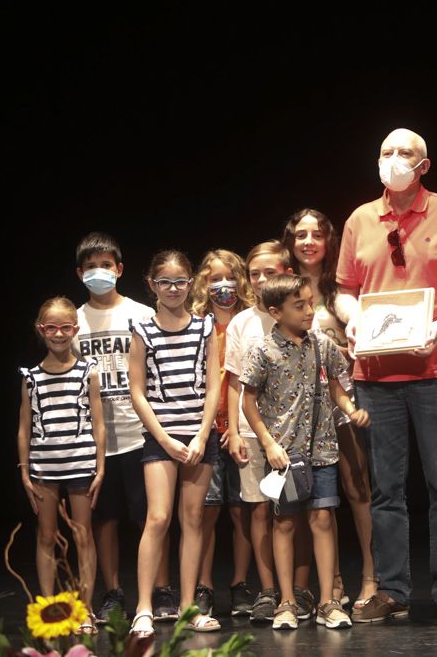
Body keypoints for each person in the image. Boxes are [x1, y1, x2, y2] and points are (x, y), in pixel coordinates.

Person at [337, 128, 437, 624]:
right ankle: (393, 589)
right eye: (386, 152)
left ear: (424, 165)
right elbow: (344, 290)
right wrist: (352, 317)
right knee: (386, 488)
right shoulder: (361, 218)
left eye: (405, 153)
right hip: (376, 374)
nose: (394, 160)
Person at [241, 274, 370, 630]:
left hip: (323, 449)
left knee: (324, 519)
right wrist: (268, 443)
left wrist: (349, 408)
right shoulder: (262, 350)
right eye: (299, 306)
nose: (309, 311)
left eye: (310, 303)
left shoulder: (323, 345)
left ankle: (329, 599)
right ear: (275, 311)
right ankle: (286, 601)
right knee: (284, 523)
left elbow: (335, 388)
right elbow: (248, 402)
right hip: (284, 455)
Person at [73, 232, 177, 624]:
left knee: (152, 515)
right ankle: (113, 591)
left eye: (106, 265)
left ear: (119, 269)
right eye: (90, 266)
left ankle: (161, 589)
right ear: (79, 273)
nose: (98, 272)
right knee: (105, 519)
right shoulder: (75, 321)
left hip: (140, 434)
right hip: (96, 441)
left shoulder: (140, 313)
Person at [282, 209, 377, 608]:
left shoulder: (342, 289)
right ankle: (331, 582)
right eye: (300, 234)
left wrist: (337, 353)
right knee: (317, 500)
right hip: (296, 410)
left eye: (316, 234)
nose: (308, 242)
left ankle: (371, 578)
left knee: (357, 488)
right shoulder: (281, 289)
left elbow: (361, 345)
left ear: (328, 242)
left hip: (341, 401)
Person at [127, 250, 222, 637]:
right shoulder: (142, 329)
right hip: (160, 437)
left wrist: (202, 433)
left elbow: (215, 383)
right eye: (164, 281)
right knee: (159, 517)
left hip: (199, 436)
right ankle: (144, 607)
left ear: (190, 283)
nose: (172, 288)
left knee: (194, 519)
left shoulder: (204, 326)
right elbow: (137, 391)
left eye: (180, 281)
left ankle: (187, 606)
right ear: (151, 284)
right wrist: (164, 438)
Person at [17, 296, 106, 635]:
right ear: (41, 330)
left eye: (65, 327)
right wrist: (24, 471)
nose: (58, 334)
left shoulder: (87, 371)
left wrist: (100, 468)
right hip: (43, 467)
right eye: (51, 327)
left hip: (81, 462)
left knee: (83, 535)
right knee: (46, 534)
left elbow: (98, 423)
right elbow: (25, 426)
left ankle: (84, 610)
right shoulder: (31, 377)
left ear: (75, 329)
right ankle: (49, 610)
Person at [223, 241, 302, 622]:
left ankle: (297, 590)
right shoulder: (241, 322)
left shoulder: (297, 313)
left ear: (286, 271)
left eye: (270, 272)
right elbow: (235, 381)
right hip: (251, 433)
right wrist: (236, 432)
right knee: (257, 510)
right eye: (255, 274)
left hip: (293, 433)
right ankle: (268, 591)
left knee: (292, 512)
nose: (261, 279)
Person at [188, 250, 255, 617]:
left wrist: (237, 428)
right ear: (203, 283)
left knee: (241, 510)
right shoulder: (196, 324)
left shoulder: (249, 322)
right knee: (206, 511)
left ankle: (241, 584)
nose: (222, 285)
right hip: (206, 430)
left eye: (229, 277)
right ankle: (204, 585)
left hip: (243, 429)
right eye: (214, 278)